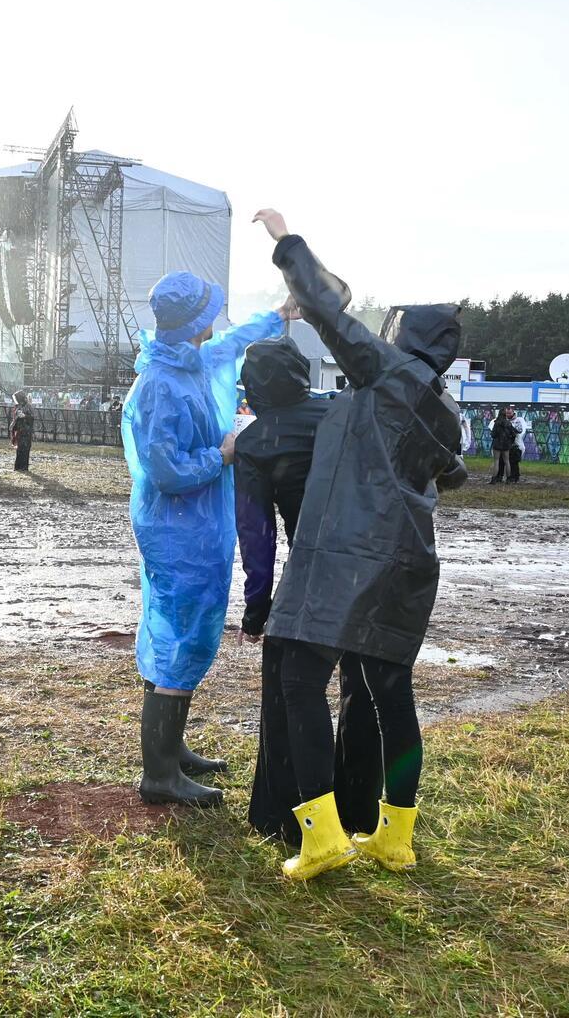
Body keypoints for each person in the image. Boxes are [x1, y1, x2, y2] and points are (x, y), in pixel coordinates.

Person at [252, 208, 467, 879]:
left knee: (299, 677)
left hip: (345, 554)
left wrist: (286, 240)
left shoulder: (388, 373)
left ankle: (320, 837)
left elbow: (330, 313)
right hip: (406, 565)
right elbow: (449, 474)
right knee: (389, 690)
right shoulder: (443, 408)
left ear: (404, 339)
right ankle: (394, 835)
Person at [124, 269, 290, 808]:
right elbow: (164, 469)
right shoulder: (159, 385)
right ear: (195, 320)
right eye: (209, 311)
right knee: (180, 636)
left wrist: (281, 315)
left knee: (180, 635)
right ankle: (160, 775)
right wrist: (220, 455)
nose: (216, 319)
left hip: (196, 526)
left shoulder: (189, 360)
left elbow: (232, 343)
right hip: (176, 529)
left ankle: (172, 750)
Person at [233, 337, 335, 850]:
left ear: (252, 388)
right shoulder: (337, 414)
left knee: (288, 689)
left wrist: (257, 610)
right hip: (373, 569)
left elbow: (258, 537)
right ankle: (364, 811)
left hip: (311, 572)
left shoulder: (254, 443)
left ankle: (290, 819)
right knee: (371, 695)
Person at [491, 406, 520, 484]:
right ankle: (509, 479)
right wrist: (510, 441)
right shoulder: (508, 423)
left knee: (496, 461)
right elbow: (514, 433)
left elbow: (493, 434)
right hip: (506, 445)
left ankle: (494, 479)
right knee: (507, 461)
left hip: (497, 444)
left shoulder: (496, 423)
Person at [10, 390, 35, 472]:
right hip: (20, 430)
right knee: (19, 448)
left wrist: (25, 416)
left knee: (26, 448)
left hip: (27, 430)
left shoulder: (28, 406)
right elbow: (15, 417)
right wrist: (13, 423)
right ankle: (18, 466)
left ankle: (24, 467)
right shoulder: (18, 406)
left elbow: (32, 417)